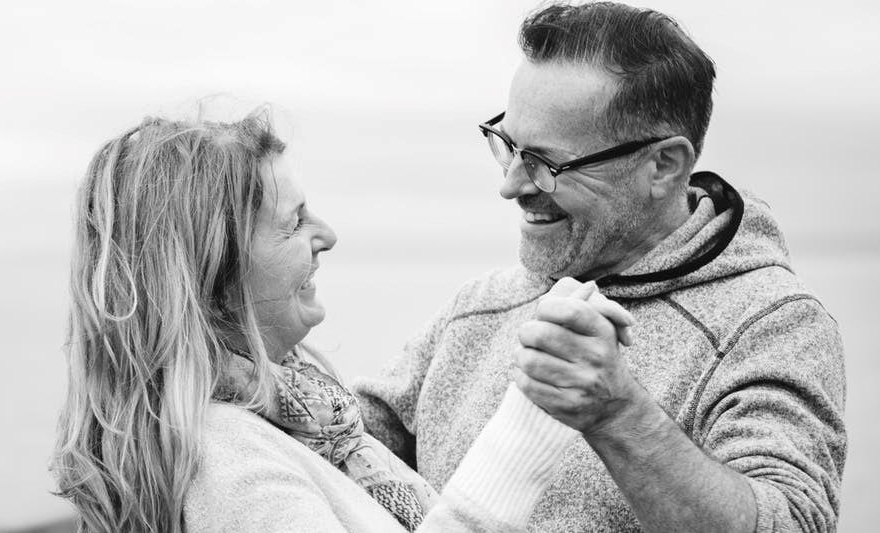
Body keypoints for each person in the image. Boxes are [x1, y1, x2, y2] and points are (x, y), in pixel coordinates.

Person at [353, 2, 847, 532]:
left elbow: (793, 523)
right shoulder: (479, 307)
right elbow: (341, 445)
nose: (511, 185)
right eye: (508, 145)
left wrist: (620, 414)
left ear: (663, 165)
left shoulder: (771, 324)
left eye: (545, 163)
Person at [53, 111, 644, 532]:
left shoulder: (310, 424)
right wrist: (531, 419)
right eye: (293, 221)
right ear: (214, 273)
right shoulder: (227, 463)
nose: (327, 236)